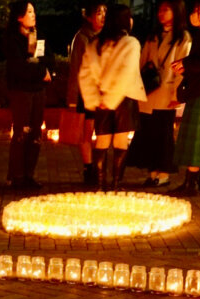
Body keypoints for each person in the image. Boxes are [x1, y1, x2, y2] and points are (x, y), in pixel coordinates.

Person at [79, 3, 147, 189]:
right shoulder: (131, 43)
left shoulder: (95, 43)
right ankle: (116, 184)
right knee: (120, 142)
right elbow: (125, 74)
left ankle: (100, 184)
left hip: (101, 99)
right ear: (125, 21)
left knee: (102, 141)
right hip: (124, 98)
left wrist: (95, 100)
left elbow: (85, 75)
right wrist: (111, 100)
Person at [127, 1, 191, 187]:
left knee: (164, 135)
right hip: (149, 91)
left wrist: (176, 94)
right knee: (149, 133)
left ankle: (163, 174)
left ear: (176, 12)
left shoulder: (183, 37)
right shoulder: (153, 35)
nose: (161, 13)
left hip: (166, 91)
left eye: (166, 10)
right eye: (160, 10)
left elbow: (182, 69)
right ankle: (152, 172)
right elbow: (142, 62)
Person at [5, 1, 55, 189]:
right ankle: (16, 175)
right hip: (21, 91)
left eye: (34, 11)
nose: (33, 15)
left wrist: (44, 69)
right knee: (21, 132)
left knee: (35, 133)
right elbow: (19, 67)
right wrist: (40, 71)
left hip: (38, 90)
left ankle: (29, 174)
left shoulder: (38, 35)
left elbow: (49, 58)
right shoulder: (12, 39)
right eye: (29, 12)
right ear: (19, 17)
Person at [169, 0, 200, 195]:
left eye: (198, 10)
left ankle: (191, 184)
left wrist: (185, 64)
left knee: (197, 136)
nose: (194, 14)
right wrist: (186, 66)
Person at [67, 2, 108, 184]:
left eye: (105, 12)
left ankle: (99, 167)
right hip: (88, 93)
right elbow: (75, 69)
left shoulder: (107, 37)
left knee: (102, 133)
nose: (103, 16)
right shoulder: (82, 38)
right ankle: (89, 167)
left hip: (105, 94)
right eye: (98, 13)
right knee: (87, 132)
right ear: (89, 17)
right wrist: (72, 98)